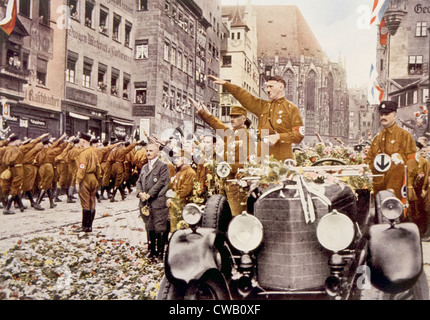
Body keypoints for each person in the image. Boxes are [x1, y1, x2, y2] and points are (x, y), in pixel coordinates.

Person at [208, 74, 304, 162]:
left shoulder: (291, 109)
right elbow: (246, 97)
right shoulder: (263, 106)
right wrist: (226, 84)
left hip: (281, 160)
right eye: (266, 87)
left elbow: (299, 135)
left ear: (281, 87)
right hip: (262, 161)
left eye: (271, 86)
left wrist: (278, 137)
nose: (267, 90)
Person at [190, 98, 255, 216]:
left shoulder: (247, 136)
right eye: (231, 117)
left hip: (237, 184)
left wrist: (230, 169)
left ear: (244, 119)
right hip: (225, 183)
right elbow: (216, 124)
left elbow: (250, 162)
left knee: (236, 216)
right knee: (222, 216)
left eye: (236, 117)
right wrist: (202, 112)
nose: (232, 119)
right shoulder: (230, 134)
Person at [365, 101, 417, 202]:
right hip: (378, 187)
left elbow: (412, 161)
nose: (383, 117)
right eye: (381, 114)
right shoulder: (377, 138)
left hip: (397, 188)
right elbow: (369, 159)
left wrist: (409, 184)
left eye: (386, 114)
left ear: (394, 115)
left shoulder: (405, 136)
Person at [136, 142, 170, 258]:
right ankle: (152, 250)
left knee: (159, 227)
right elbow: (139, 181)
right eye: (147, 151)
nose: (148, 153)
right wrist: (140, 193)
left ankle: (160, 252)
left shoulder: (162, 166)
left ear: (157, 152)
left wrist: (149, 194)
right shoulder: (145, 167)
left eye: (151, 151)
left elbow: (162, 182)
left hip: (157, 201)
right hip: (145, 202)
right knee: (149, 226)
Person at [74, 132, 101, 232]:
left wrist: (77, 181)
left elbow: (82, 168)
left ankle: (85, 226)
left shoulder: (84, 153)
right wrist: (97, 179)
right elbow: (98, 167)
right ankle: (90, 226)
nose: (79, 142)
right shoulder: (93, 152)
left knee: (85, 202)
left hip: (85, 178)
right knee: (92, 202)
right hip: (93, 177)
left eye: (80, 140)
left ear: (84, 141)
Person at [167, 149, 196, 232]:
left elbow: (185, 191)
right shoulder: (180, 172)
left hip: (183, 206)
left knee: (182, 229)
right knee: (175, 229)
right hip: (176, 204)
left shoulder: (190, 172)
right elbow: (173, 187)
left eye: (178, 158)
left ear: (185, 159)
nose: (175, 160)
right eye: (175, 158)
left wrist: (173, 198)